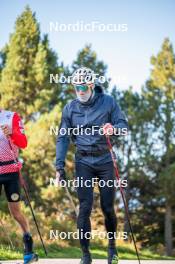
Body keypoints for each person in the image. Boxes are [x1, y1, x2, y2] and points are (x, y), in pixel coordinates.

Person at [56, 67, 128, 264]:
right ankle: (86, 255)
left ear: (91, 85)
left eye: (82, 87)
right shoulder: (70, 108)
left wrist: (113, 128)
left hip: (105, 160)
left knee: (107, 207)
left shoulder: (108, 102)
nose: (79, 91)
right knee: (84, 207)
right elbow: (62, 138)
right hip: (83, 161)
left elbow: (123, 126)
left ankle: (112, 248)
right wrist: (59, 166)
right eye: (76, 87)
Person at [0, 109, 38, 264]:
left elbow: (23, 143)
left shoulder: (11, 117)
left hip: (11, 172)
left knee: (15, 212)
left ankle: (28, 247)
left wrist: (12, 134)